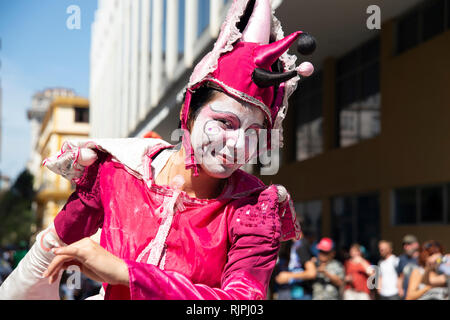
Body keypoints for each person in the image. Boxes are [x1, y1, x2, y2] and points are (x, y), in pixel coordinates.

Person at [0, 0, 316, 300]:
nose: (236, 145)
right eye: (225, 122)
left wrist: (128, 273)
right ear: (189, 112)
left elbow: (241, 303)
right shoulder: (117, 170)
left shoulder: (255, 209)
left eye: (253, 133)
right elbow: (42, 258)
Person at [396, 234, 419, 299]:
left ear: (416, 245)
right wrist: (399, 289)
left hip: (420, 293)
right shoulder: (402, 259)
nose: (406, 247)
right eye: (404, 245)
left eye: (409, 244)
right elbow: (400, 276)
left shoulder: (422, 258)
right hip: (406, 295)